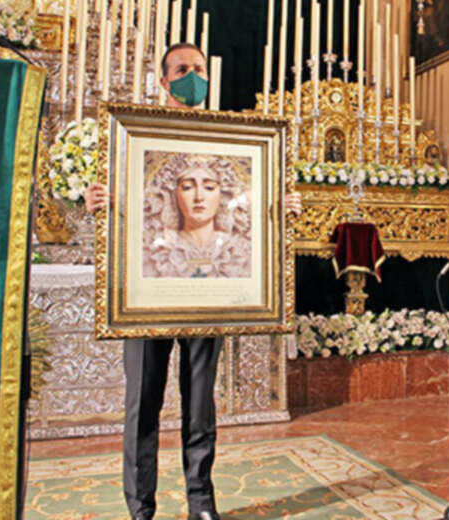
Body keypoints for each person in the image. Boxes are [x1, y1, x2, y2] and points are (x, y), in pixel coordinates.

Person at [85, 42, 301, 520]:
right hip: (146, 293)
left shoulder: (228, 139)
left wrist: (277, 205)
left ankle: (201, 502)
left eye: (199, 69)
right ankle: (140, 507)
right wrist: (100, 199)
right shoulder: (134, 135)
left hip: (208, 292)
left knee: (200, 403)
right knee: (143, 403)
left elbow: (246, 204)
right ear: (163, 81)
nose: (192, 77)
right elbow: (126, 202)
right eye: (182, 69)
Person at [143, 153, 252, 278]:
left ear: (223, 195)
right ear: (173, 195)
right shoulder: (157, 251)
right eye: (187, 187)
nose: (199, 197)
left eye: (209, 187)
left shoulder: (240, 249)